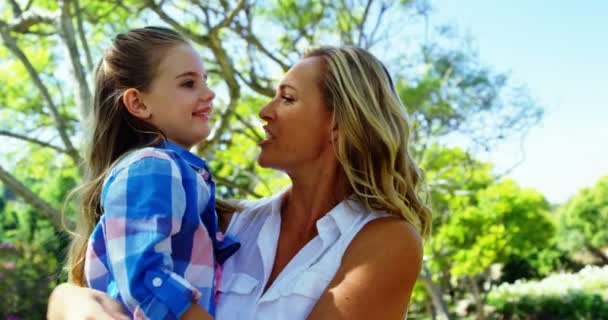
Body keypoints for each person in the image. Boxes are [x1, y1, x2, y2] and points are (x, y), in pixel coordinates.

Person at [48, 46, 432, 319]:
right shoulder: (226, 225)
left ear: (337, 123)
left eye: (287, 98)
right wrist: (71, 304)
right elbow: (94, 282)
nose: (266, 112)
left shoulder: (386, 241)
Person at [63, 26, 240, 320]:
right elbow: (145, 277)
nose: (209, 94)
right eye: (188, 83)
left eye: (205, 81)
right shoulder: (151, 167)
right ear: (139, 103)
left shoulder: (177, 172)